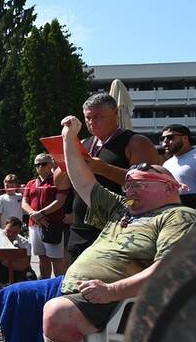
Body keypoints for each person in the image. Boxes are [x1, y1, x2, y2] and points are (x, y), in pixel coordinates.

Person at [0, 115, 196, 342]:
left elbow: (169, 270)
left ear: (169, 187)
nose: (129, 191)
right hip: (77, 285)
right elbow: (83, 180)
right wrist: (70, 137)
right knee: (15, 295)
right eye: (128, 186)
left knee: (58, 312)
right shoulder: (123, 210)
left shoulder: (179, 217)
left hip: (121, 300)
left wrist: (112, 290)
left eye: (139, 186)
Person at [67, 92, 160, 261]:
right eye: (88, 118)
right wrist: (63, 162)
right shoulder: (85, 143)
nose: (92, 122)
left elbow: (151, 183)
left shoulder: (136, 142)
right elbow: (61, 184)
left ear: (115, 113)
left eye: (98, 117)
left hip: (119, 226)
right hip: (81, 227)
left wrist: (104, 169)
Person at [22, 153, 67, 279]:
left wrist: (41, 214)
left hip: (52, 224)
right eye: (37, 164)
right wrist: (34, 214)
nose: (40, 167)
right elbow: (24, 203)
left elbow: (60, 201)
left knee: (56, 258)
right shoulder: (31, 183)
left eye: (43, 164)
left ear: (51, 164)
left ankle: (59, 287)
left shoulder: (58, 180)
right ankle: (44, 284)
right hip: (34, 225)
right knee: (42, 257)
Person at [160, 124, 196, 214]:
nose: (165, 142)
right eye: (162, 138)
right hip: (173, 212)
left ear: (185, 138)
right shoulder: (166, 164)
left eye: (170, 137)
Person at [0, 217, 33, 290]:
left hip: (17, 268)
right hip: (0, 267)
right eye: (8, 231)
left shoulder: (25, 243)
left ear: (19, 231)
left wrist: (3, 259)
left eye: (15, 232)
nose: (11, 234)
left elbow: (24, 265)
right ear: (5, 226)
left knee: (31, 281)